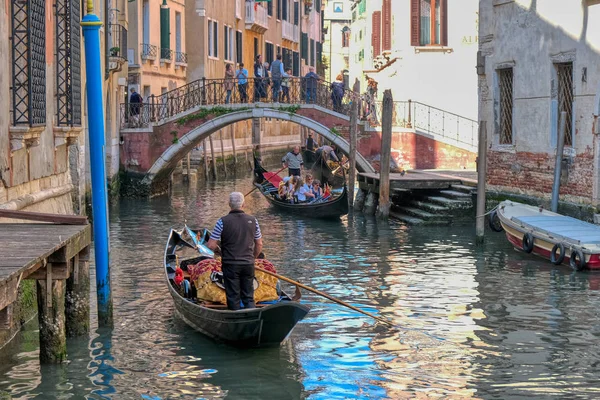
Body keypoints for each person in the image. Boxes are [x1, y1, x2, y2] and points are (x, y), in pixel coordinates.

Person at [207, 192, 263, 311]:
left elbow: (211, 245)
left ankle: (235, 319)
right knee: (248, 296)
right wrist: (253, 258)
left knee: (233, 297)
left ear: (229, 204)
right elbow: (259, 244)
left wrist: (219, 250)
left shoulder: (222, 221)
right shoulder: (253, 220)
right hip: (248, 264)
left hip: (231, 264)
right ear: (243, 204)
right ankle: (251, 316)